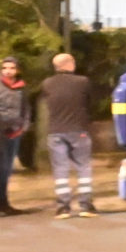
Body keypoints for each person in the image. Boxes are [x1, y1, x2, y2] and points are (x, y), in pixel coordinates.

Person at [42, 53, 96, 219]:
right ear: (70, 64)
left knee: (60, 169)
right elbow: (89, 103)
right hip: (78, 129)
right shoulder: (82, 82)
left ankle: (63, 207)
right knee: (83, 167)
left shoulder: (47, 84)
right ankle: (85, 205)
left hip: (55, 131)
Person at [0, 58, 27, 215]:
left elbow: (26, 108)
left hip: (15, 132)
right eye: (5, 68)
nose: (8, 71)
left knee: (6, 169)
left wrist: (24, 126)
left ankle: (3, 203)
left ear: (16, 70)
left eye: (12, 68)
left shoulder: (21, 87)